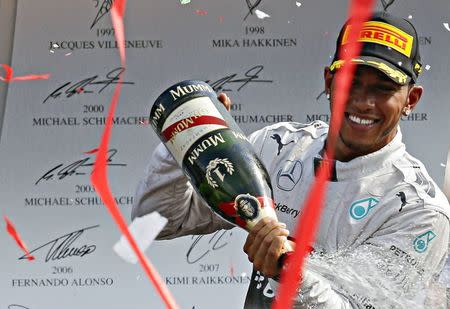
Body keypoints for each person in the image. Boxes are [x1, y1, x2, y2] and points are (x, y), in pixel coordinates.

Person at [132, 11, 450, 308]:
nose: (363, 102)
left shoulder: (421, 212)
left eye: (383, 89)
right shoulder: (279, 147)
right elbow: (157, 223)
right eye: (350, 81)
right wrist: (187, 142)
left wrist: (290, 274)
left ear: (411, 99)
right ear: (329, 82)